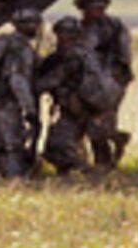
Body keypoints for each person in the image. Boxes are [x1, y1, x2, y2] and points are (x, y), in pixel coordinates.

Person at [36, 16, 120, 174]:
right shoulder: (87, 54)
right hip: (89, 108)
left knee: (56, 145)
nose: (62, 37)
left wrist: (30, 86)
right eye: (61, 33)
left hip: (78, 108)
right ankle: (77, 170)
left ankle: (85, 170)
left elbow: (52, 80)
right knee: (74, 143)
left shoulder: (72, 57)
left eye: (66, 34)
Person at [0, 8, 42, 178]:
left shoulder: (1, 41)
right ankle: (15, 178)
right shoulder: (21, 49)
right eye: (34, 24)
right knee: (13, 144)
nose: (36, 28)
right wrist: (30, 109)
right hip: (7, 101)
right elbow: (17, 80)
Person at [74, 0, 134, 167]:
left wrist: (115, 80)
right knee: (87, 124)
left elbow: (124, 56)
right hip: (87, 84)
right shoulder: (81, 27)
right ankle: (107, 152)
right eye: (91, 8)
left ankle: (104, 163)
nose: (95, 11)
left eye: (99, 8)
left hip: (108, 84)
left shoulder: (110, 27)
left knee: (99, 126)